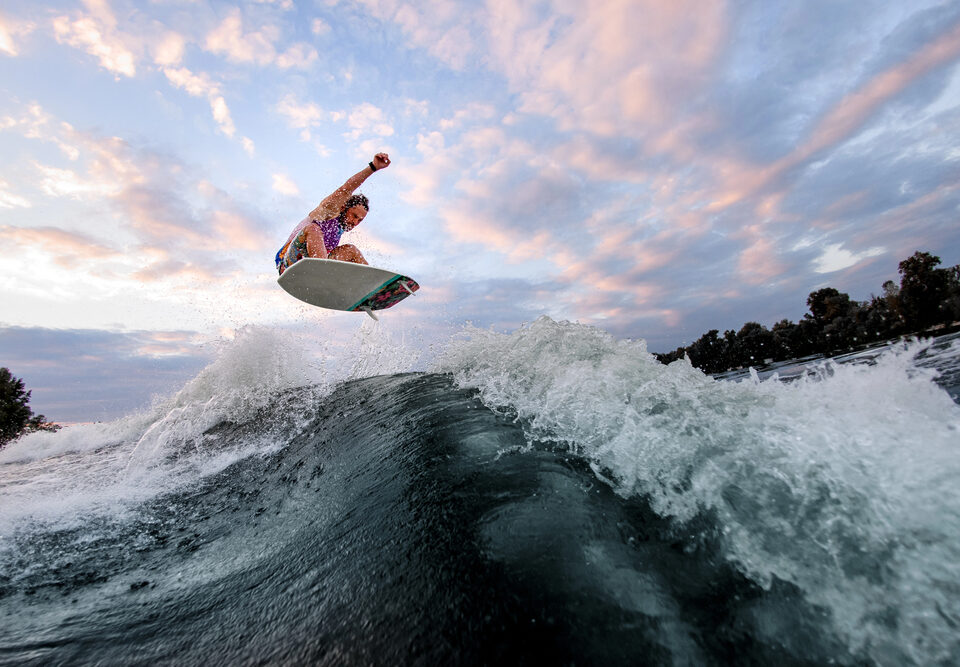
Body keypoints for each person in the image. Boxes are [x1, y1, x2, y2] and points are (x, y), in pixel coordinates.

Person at [275, 152, 391, 275]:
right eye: (354, 216)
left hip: (313, 268)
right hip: (288, 264)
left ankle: (370, 284)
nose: (355, 222)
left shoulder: (340, 228)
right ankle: (324, 274)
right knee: (313, 229)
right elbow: (346, 189)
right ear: (344, 208)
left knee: (352, 250)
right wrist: (373, 167)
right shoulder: (327, 212)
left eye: (360, 220)